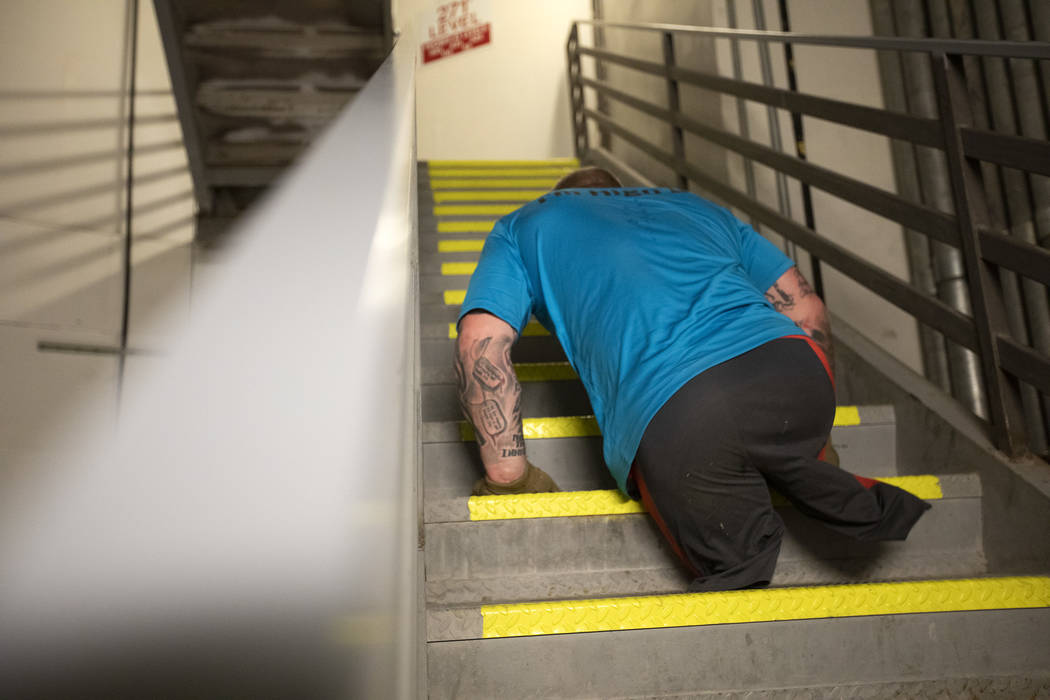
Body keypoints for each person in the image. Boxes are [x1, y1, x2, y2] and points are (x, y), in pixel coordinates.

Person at [453, 167, 930, 591]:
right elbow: (807, 309)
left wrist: (510, 479)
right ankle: (804, 465)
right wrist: (816, 430)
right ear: (625, 193)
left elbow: (481, 341)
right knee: (763, 444)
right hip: (794, 371)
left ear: (560, 196)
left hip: (683, 412)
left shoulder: (525, 224)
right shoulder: (694, 206)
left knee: (734, 568)